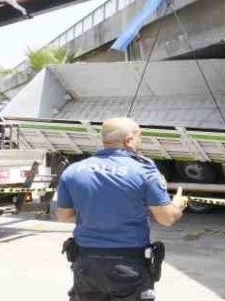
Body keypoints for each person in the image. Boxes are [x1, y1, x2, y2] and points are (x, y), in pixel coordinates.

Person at [56, 117, 188, 300]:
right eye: (139, 137)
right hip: (128, 263)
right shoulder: (144, 171)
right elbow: (166, 219)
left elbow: (63, 216)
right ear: (128, 140)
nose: (140, 142)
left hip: (86, 264)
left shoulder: (73, 171)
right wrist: (179, 204)